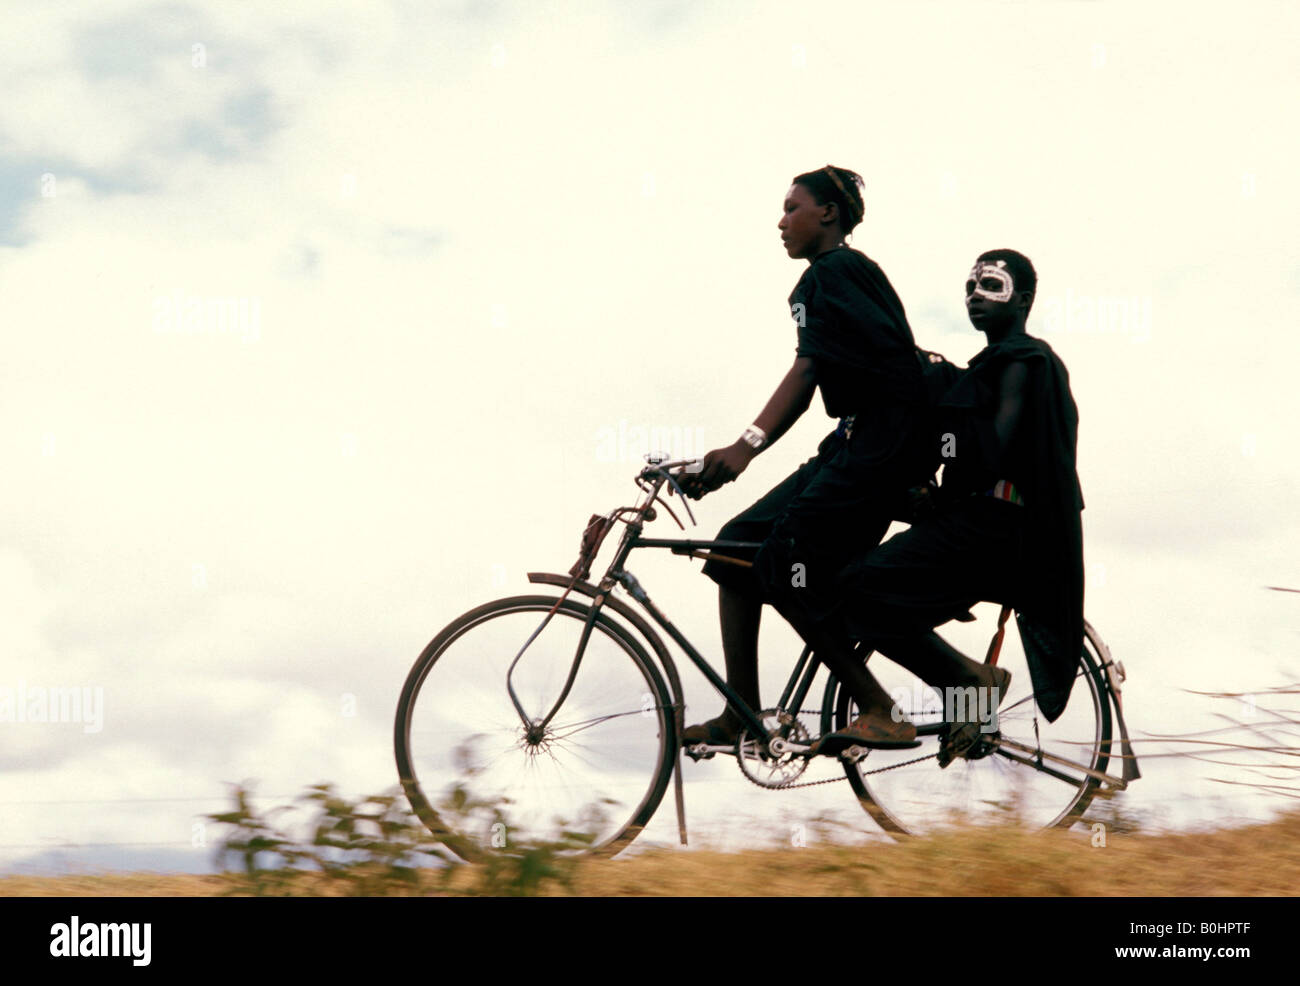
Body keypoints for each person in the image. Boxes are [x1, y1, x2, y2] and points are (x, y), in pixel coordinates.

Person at [676, 165, 933, 748]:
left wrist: (744, 448)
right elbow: (824, 371)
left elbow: (809, 369)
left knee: (784, 569)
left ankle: (879, 708)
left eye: (793, 207)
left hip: (875, 448)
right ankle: (742, 710)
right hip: (855, 443)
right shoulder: (835, 278)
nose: (782, 220)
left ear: (829, 214)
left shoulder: (835, 271)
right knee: (733, 551)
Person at [810, 248, 1085, 756]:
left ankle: (970, 683)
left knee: (858, 586)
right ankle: (964, 688)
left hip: (997, 525)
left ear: (1023, 300)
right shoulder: (983, 370)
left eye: (992, 286)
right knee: (864, 585)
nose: (976, 296)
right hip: (975, 520)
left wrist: (939, 461)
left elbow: (995, 447)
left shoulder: (1027, 360)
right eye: (971, 287)